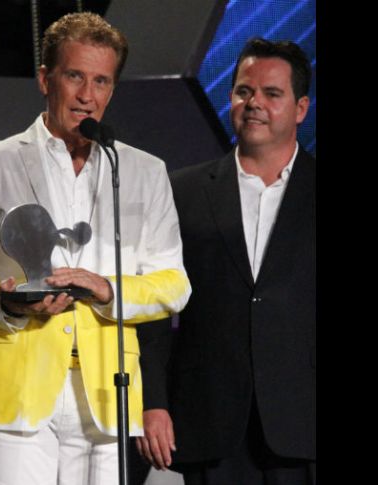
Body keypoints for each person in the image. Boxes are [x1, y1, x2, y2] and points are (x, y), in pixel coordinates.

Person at [0, 12, 191, 485]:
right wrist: (2, 301)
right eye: (74, 76)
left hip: (107, 394)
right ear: (45, 79)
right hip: (15, 387)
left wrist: (107, 289)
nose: (87, 95)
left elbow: (174, 285)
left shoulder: (143, 172)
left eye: (101, 81)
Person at [137, 38, 315, 484]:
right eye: (243, 91)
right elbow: (154, 307)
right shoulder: (181, 191)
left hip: (305, 427)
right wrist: (152, 401)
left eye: (272, 93)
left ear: (301, 108)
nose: (254, 104)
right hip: (209, 424)